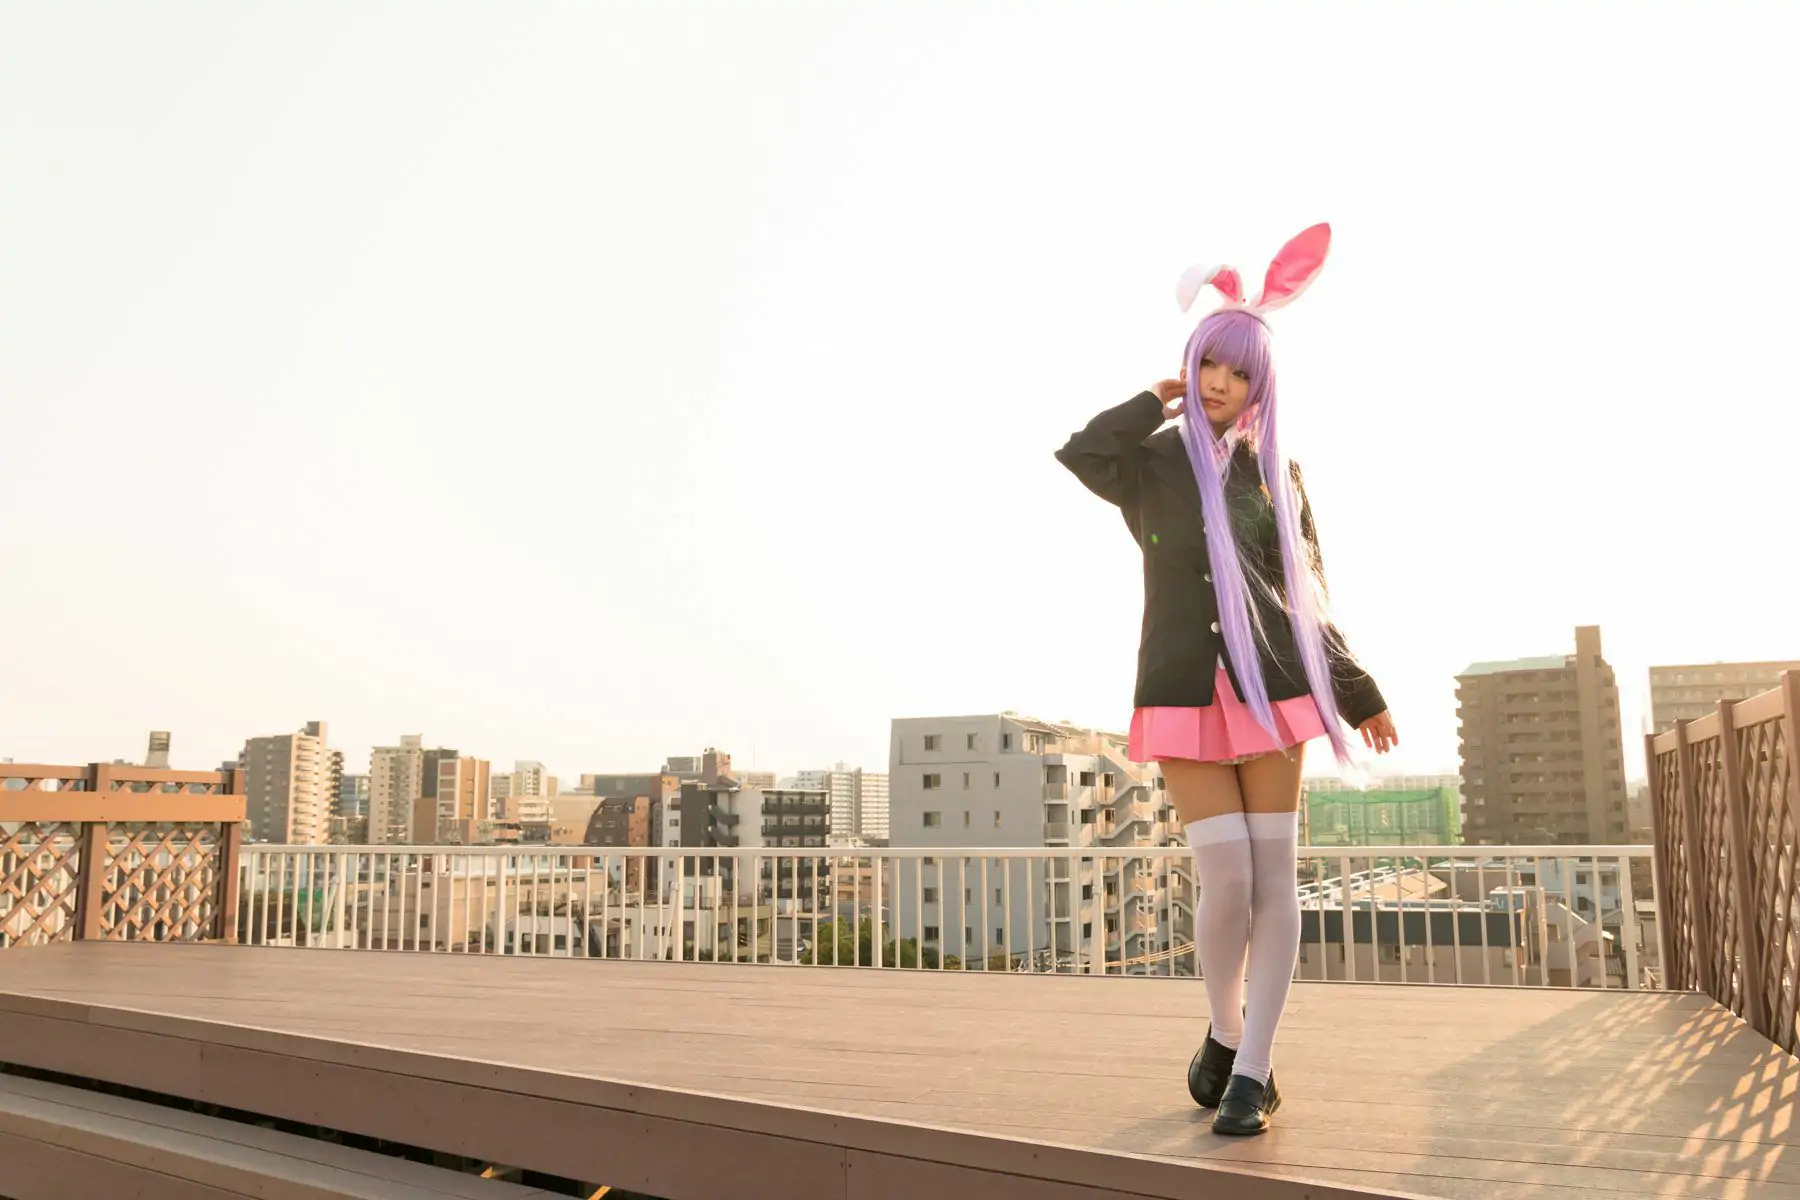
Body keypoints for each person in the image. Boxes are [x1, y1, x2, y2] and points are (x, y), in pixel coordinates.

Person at [1053, 223, 1396, 1136]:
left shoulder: (1276, 473)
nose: (1218, 383)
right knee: (1228, 880)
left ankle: (1250, 1072)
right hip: (1180, 693)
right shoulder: (1152, 464)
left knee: (1274, 878)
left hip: (1272, 693)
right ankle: (1227, 1029)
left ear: (1260, 386)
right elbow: (1082, 453)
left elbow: (1308, 598)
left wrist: (1359, 693)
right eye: (1208, 363)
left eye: (1238, 373)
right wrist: (1151, 399)